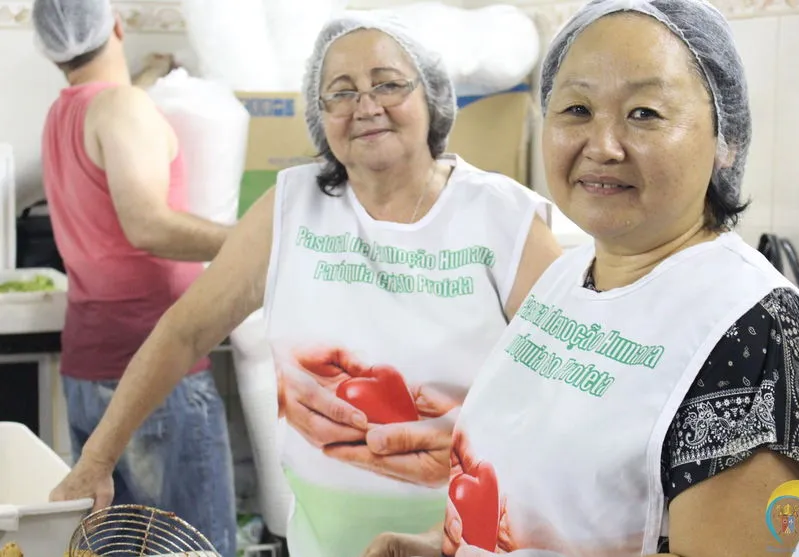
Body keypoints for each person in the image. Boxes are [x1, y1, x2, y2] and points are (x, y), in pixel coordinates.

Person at [47, 12, 564, 557]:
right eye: (340, 93)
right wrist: (95, 462)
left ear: (432, 95)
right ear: (320, 118)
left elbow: (566, 400)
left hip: (469, 541)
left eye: (387, 83)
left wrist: (449, 539)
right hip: (323, 542)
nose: (366, 105)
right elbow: (184, 332)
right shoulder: (292, 207)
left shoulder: (503, 219)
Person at [362, 0, 799, 556]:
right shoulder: (570, 275)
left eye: (645, 113)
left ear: (724, 140)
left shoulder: (752, 330)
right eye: (577, 109)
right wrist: (443, 545)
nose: (603, 146)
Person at [31, 1, 237, 556]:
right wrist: (249, 243)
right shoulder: (123, 108)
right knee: (193, 547)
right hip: (153, 373)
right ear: (118, 26)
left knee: (115, 548)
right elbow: (146, 224)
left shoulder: (66, 113)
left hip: (90, 368)